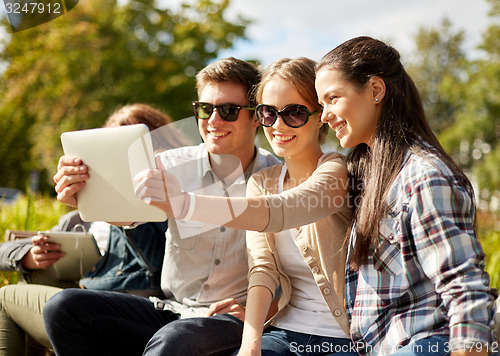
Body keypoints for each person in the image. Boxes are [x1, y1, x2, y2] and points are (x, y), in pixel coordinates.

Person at [43, 57, 280, 356]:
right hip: (172, 309)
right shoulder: (169, 165)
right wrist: (79, 192)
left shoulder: (279, 179)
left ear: (256, 117)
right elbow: (126, 214)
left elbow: (300, 273)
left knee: (174, 339)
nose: (213, 121)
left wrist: (260, 311)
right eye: (205, 109)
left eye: (229, 111)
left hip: (232, 318)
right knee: (63, 307)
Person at [133, 58, 357, 355]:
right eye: (269, 113)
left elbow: (280, 210)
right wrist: (249, 347)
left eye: (294, 113)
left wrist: (185, 204)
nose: (278, 125)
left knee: (176, 342)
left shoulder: (337, 169)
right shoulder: (263, 181)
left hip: (343, 336)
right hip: (285, 333)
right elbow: (262, 269)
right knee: (67, 307)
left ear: (320, 117)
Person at [313, 36, 497, 355]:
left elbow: (465, 290)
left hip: (429, 344)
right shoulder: (370, 174)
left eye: (333, 98)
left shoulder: (425, 175)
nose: (324, 116)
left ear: (375, 90)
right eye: (321, 105)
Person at [0, 103, 169, 356]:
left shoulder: (165, 210)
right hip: (78, 303)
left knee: (6, 298)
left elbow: (156, 263)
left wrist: (123, 210)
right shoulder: (80, 216)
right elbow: (4, 252)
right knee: (32, 287)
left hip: (128, 310)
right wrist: (29, 257)